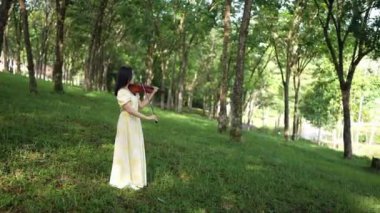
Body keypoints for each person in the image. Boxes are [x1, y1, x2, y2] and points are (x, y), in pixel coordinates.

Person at [109, 66, 158, 190]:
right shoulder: (121, 92)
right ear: (127, 76)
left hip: (135, 123)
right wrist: (147, 118)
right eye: (132, 75)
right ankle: (123, 178)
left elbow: (140, 105)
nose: (133, 78)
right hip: (126, 123)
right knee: (125, 148)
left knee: (135, 148)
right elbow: (130, 110)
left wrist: (152, 93)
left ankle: (135, 178)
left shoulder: (133, 91)